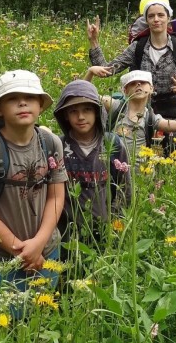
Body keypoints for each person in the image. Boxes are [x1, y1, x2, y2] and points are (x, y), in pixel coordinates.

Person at [0, 70, 68, 310]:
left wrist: (39, 244)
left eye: (30, 97)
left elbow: (56, 195)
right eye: (12, 98)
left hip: (46, 253)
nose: (22, 102)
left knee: (40, 319)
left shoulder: (50, 142)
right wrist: (24, 252)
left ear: (41, 105)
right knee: (0, 327)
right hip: (0, 259)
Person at [87, 0, 176, 151]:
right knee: (139, 153)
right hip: (141, 109)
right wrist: (94, 42)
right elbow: (107, 70)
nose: (156, 19)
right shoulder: (137, 47)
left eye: (160, 15)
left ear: (168, 18)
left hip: (174, 108)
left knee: (175, 152)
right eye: (151, 16)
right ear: (146, 20)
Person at [53, 79, 131, 250]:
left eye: (87, 110)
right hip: (68, 238)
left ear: (97, 112)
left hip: (105, 235)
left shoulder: (113, 144)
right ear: (65, 115)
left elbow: (124, 189)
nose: (81, 117)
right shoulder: (58, 146)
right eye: (73, 111)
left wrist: (116, 224)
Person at [86, 68, 176, 161]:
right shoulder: (116, 107)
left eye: (143, 82)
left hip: (140, 176)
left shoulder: (151, 118)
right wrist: (90, 72)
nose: (138, 84)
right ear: (125, 91)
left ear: (151, 89)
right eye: (133, 83)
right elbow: (85, 95)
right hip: (113, 172)